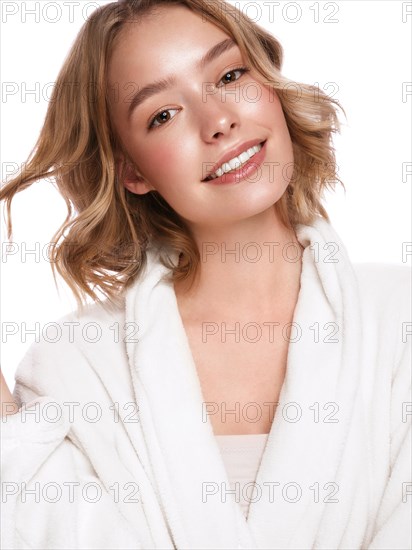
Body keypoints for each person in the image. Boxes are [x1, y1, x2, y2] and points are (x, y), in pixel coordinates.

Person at [1, 1, 410, 549]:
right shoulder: (76, 368)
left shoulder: (400, 320)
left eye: (230, 75)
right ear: (131, 169)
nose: (219, 121)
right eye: (162, 115)